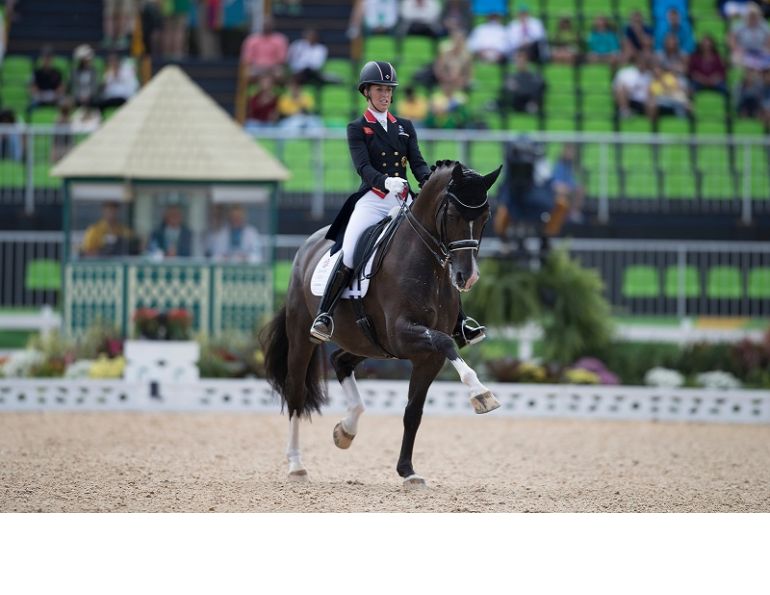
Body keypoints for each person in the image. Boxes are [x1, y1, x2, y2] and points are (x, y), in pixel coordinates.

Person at [311, 60, 486, 346]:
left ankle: (460, 322)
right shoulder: (358, 128)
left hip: (405, 200)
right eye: (379, 89)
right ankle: (325, 315)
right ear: (366, 92)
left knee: (439, 251)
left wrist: (432, 186)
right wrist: (384, 182)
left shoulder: (404, 126)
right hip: (373, 199)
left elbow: (417, 165)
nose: (385, 95)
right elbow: (363, 167)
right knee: (352, 250)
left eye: (389, 90)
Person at [239, 16, 288, 82]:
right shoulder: (252, 40)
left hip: (273, 68)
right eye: (265, 25)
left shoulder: (280, 39)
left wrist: (269, 66)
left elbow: (282, 58)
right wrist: (259, 65)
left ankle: (272, 91)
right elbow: (247, 58)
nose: (267, 26)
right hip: (256, 68)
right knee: (248, 73)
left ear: (273, 25)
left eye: (269, 24)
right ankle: (259, 91)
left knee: (280, 73)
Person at [499, 49, 545, 114]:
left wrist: (517, 88)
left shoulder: (534, 76)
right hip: (515, 103)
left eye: (522, 59)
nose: (520, 62)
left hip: (530, 103)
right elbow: (505, 91)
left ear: (527, 61)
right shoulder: (511, 76)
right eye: (517, 60)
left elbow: (537, 90)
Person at [613, 53, 653, 117]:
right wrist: (629, 90)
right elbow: (616, 88)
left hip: (644, 101)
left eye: (645, 62)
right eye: (640, 61)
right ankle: (624, 111)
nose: (642, 64)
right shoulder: (624, 72)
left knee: (652, 102)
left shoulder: (649, 75)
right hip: (630, 99)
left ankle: (650, 124)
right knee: (621, 89)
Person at [28, 46, 65, 113]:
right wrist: (41, 95)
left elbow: (61, 88)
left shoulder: (58, 73)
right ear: (42, 58)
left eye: (49, 58)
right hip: (40, 97)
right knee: (31, 104)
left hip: (54, 97)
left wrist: (54, 96)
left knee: (63, 102)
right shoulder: (36, 72)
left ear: (52, 59)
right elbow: (32, 88)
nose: (47, 60)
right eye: (45, 57)